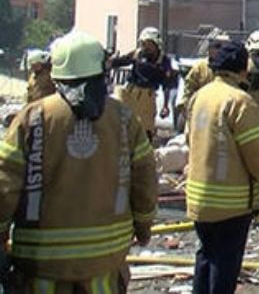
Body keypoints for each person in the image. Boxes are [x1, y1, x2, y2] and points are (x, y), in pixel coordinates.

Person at [0, 30, 158, 292]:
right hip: (105, 263)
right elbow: (144, 180)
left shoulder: (32, 118)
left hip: (42, 266)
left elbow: (5, 185)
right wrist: (143, 227)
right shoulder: (123, 118)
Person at [186, 41, 259, 294]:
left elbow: (189, 139)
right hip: (231, 203)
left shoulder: (199, 97)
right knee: (225, 265)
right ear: (241, 70)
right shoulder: (241, 102)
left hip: (198, 198)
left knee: (205, 256)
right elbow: (256, 155)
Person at [110, 26, 174, 141]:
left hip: (147, 98)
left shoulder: (164, 61)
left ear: (156, 44)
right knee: (121, 125)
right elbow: (121, 61)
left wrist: (165, 105)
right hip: (130, 93)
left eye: (149, 44)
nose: (145, 47)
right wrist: (110, 61)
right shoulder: (137, 54)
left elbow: (167, 85)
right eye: (143, 43)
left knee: (145, 131)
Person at [180, 28, 230, 124]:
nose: (220, 50)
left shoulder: (231, 68)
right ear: (209, 48)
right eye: (217, 46)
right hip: (200, 116)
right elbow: (188, 91)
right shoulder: (200, 67)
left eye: (224, 47)